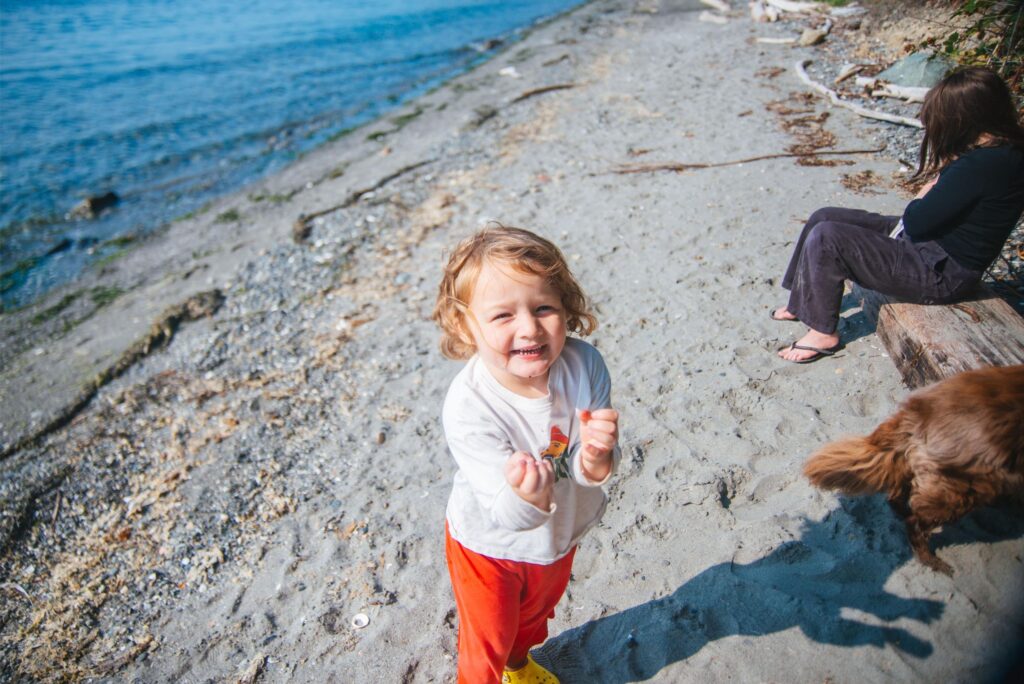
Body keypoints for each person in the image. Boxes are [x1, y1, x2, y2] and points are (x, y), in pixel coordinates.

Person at [433, 225, 620, 683]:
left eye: (543, 308)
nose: (529, 328)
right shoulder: (468, 405)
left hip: (559, 533)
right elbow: (503, 511)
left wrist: (596, 458)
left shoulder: (584, 364)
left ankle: (520, 664)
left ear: (566, 307)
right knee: (487, 643)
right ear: (464, 325)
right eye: (502, 316)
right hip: (488, 546)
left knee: (533, 620)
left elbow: (583, 464)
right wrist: (526, 496)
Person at [771, 66, 1024, 363]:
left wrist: (923, 194)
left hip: (939, 271)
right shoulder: (1001, 152)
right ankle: (800, 302)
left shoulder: (982, 165)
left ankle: (823, 332)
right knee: (824, 216)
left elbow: (917, 221)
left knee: (828, 236)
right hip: (929, 245)